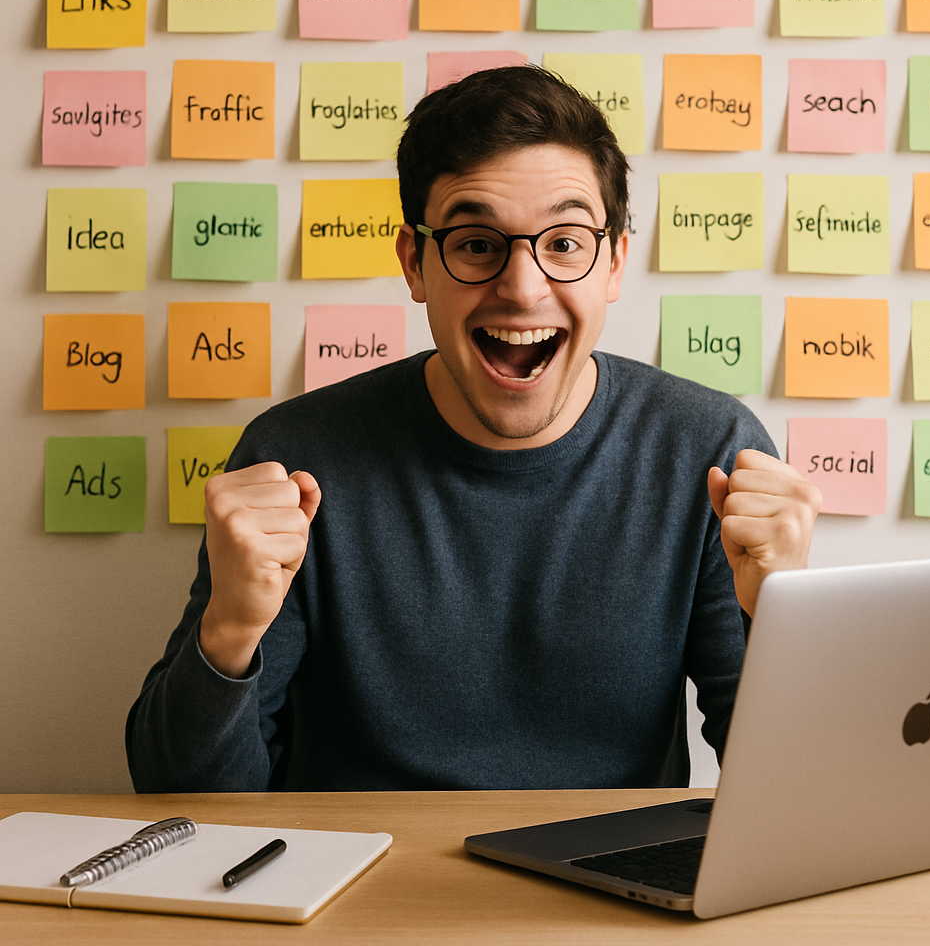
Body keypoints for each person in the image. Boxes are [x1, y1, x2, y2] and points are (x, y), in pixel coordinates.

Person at [126, 66, 820, 792]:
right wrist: (230, 629)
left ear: (613, 262)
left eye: (565, 242)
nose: (522, 287)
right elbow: (181, 798)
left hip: (614, 893)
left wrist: (785, 621)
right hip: (356, 892)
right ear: (414, 263)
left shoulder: (707, 453)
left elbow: (794, 803)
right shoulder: (296, 462)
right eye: (476, 242)